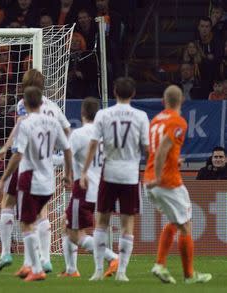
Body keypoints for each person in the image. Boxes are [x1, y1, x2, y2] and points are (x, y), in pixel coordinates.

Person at [0, 69, 71, 274]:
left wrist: (5, 148)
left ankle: (7, 253)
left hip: (25, 162)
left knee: (8, 203)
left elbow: (20, 126)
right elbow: (67, 130)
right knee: (42, 212)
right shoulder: (53, 108)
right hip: (47, 164)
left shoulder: (23, 104)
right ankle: (45, 259)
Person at [80, 77, 149, 282]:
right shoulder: (141, 116)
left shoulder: (103, 114)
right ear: (133, 94)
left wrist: (84, 171)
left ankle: (99, 271)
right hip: (129, 173)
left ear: (114, 92)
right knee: (127, 222)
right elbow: (146, 147)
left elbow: (93, 144)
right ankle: (122, 272)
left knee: (101, 221)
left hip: (109, 171)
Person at [145, 85, 212, 284]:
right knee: (186, 225)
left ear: (163, 101)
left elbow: (155, 149)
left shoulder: (156, 120)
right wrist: (159, 176)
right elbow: (162, 150)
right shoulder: (178, 121)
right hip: (167, 181)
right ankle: (189, 275)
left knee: (176, 221)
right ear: (181, 100)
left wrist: (173, 162)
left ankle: (160, 264)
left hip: (149, 179)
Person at [59, 97, 118, 278]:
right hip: (100, 188)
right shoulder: (104, 135)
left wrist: (42, 160)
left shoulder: (80, 134)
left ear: (82, 113)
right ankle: (71, 270)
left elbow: (65, 157)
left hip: (83, 188)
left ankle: (113, 257)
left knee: (76, 235)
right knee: (65, 224)